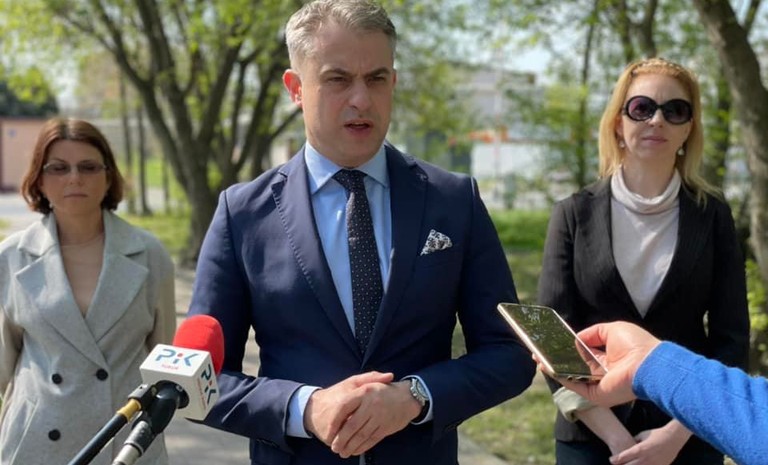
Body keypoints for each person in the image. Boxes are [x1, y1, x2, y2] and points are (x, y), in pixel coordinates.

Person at [186, 0, 535, 464]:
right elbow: (200, 379)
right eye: (337, 79)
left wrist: (416, 396)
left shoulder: (454, 201)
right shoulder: (242, 213)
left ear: (394, 82)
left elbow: (509, 354)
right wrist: (304, 409)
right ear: (296, 88)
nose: (361, 100)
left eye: (376, 79)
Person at [537, 57, 749, 465]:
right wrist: (617, 439)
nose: (657, 120)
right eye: (641, 108)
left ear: (689, 128)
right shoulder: (573, 213)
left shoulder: (713, 216)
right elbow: (553, 336)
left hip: (691, 435)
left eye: (675, 110)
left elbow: (731, 338)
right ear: (618, 122)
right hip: (591, 434)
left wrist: (675, 435)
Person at [0, 118, 176, 465]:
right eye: (58, 168)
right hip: (35, 442)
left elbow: (163, 359)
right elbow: (2, 366)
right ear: (39, 179)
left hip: (125, 442)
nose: (74, 178)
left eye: (88, 167)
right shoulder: (11, 257)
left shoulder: (149, 254)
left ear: (108, 177)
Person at [549, 321, 768, 465]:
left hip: (692, 448)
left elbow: (732, 342)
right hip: (588, 444)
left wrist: (649, 362)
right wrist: (650, 363)